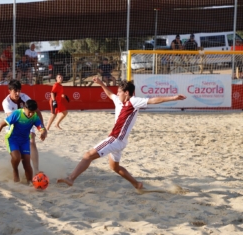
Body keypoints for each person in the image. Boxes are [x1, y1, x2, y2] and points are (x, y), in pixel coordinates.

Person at [57, 77, 186, 189]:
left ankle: (71, 178)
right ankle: (136, 184)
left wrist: (173, 97)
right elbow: (109, 94)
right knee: (115, 167)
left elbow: (153, 100)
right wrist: (101, 84)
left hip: (116, 139)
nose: (117, 94)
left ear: (127, 93)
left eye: (119, 92)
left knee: (88, 155)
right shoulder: (119, 101)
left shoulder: (133, 101)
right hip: (120, 141)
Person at [0, 99, 47, 183]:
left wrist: (43, 133)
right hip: (12, 139)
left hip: (24, 140)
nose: (31, 114)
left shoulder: (35, 116)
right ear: (24, 108)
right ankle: (15, 170)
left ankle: (30, 182)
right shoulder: (17, 114)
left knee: (27, 164)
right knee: (16, 157)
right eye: (29, 112)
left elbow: (41, 128)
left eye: (33, 112)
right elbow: (0, 125)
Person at [2, 79, 45, 174]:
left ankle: (36, 169)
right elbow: (12, 119)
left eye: (19, 91)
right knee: (18, 155)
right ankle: (16, 171)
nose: (17, 93)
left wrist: (43, 128)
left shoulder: (25, 98)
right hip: (13, 127)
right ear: (9, 91)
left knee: (32, 142)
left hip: (28, 123)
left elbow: (37, 111)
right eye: (15, 91)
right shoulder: (6, 102)